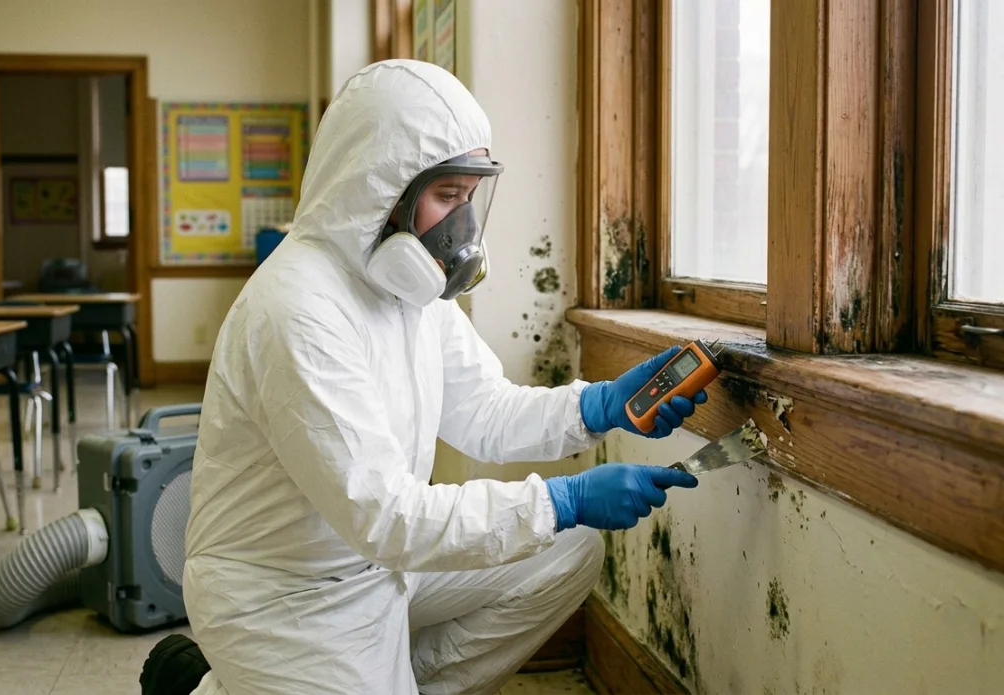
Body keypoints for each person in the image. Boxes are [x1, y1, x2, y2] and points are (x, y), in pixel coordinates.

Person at [169, 59, 706, 695]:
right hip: (284, 597)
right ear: (379, 188)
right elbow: (386, 515)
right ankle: (200, 681)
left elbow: (484, 411)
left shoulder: (409, 289)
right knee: (554, 522)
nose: (463, 227)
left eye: (470, 198)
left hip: (380, 565)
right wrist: (561, 499)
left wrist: (600, 406)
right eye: (447, 197)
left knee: (569, 551)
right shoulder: (297, 310)